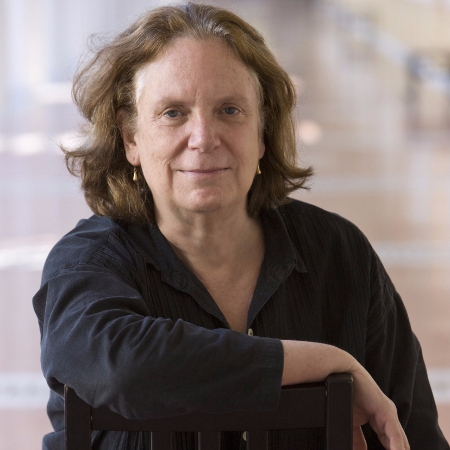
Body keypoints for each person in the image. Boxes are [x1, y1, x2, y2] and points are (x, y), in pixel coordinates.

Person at [32, 3, 448, 450]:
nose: (203, 138)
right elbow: (120, 366)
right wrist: (321, 361)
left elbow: (413, 434)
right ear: (131, 137)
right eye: (173, 113)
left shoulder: (339, 254)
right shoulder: (86, 263)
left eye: (229, 110)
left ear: (262, 132)